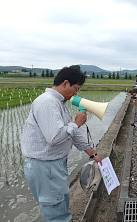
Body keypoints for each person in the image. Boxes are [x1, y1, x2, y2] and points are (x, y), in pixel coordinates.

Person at [21, 67, 102, 222]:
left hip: (54, 165)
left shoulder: (59, 103)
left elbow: (72, 134)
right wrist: (76, 123)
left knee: (60, 205)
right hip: (45, 167)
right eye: (76, 88)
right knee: (55, 211)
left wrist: (93, 154)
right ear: (65, 83)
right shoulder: (47, 103)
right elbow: (55, 137)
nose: (76, 93)